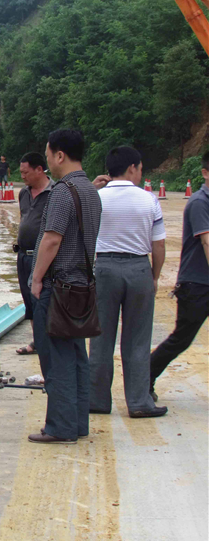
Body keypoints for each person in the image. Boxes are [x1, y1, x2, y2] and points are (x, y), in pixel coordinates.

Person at [28, 129, 101, 444]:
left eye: (48, 156)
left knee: (55, 358)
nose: (47, 162)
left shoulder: (61, 192)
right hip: (82, 286)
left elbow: (52, 239)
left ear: (60, 155)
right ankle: (78, 422)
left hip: (58, 288)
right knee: (75, 356)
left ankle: (59, 426)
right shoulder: (90, 191)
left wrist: (36, 278)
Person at [88, 146, 167, 418]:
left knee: (100, 338)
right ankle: (139, 403)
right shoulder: (149, 200)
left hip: (105, 268)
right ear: (132, 168)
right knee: (137, 340)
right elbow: (158, 245)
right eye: (140, 168)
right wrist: (154, 277)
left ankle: (97, 399)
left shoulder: (96, 198)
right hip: (138, 268)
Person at [150, 151, 209, 399]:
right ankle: (144, 378)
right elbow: (207, 243)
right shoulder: (199, 202)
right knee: (182, 339)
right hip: (197, 284)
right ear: (205, 173)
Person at [15, 152, 53, 356]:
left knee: (43, 301)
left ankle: (48, 344)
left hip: (43, 257)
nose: (22, 176)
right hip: (23, 256)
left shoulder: (55, 192)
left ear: (40, 169)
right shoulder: (24, 193)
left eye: (26, 172)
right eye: (21, 173)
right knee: (29, 301)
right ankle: (37, 342)